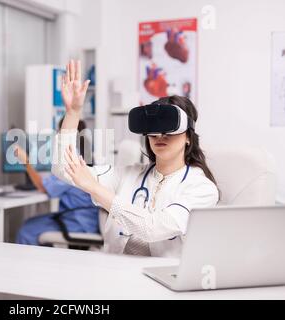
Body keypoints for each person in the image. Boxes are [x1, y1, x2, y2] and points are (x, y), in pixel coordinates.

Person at [52, 60, 219, 258]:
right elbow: (64, 168)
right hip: (116, 273)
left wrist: (96, 189)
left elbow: (152, 228)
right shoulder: (128, 173)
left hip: (166, 280)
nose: (159, 136)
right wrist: (72, 113)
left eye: (169, 130)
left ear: (188, 137)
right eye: (154, 131)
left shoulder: (201, 189)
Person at [15, 119, 99, 246]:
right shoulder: (83, 153)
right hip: (88, 220)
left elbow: (44, 187)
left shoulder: (71, 158)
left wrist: (26, 162)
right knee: (33, 223)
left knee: (27, 230)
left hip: (77, 222)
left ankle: (30, 265)